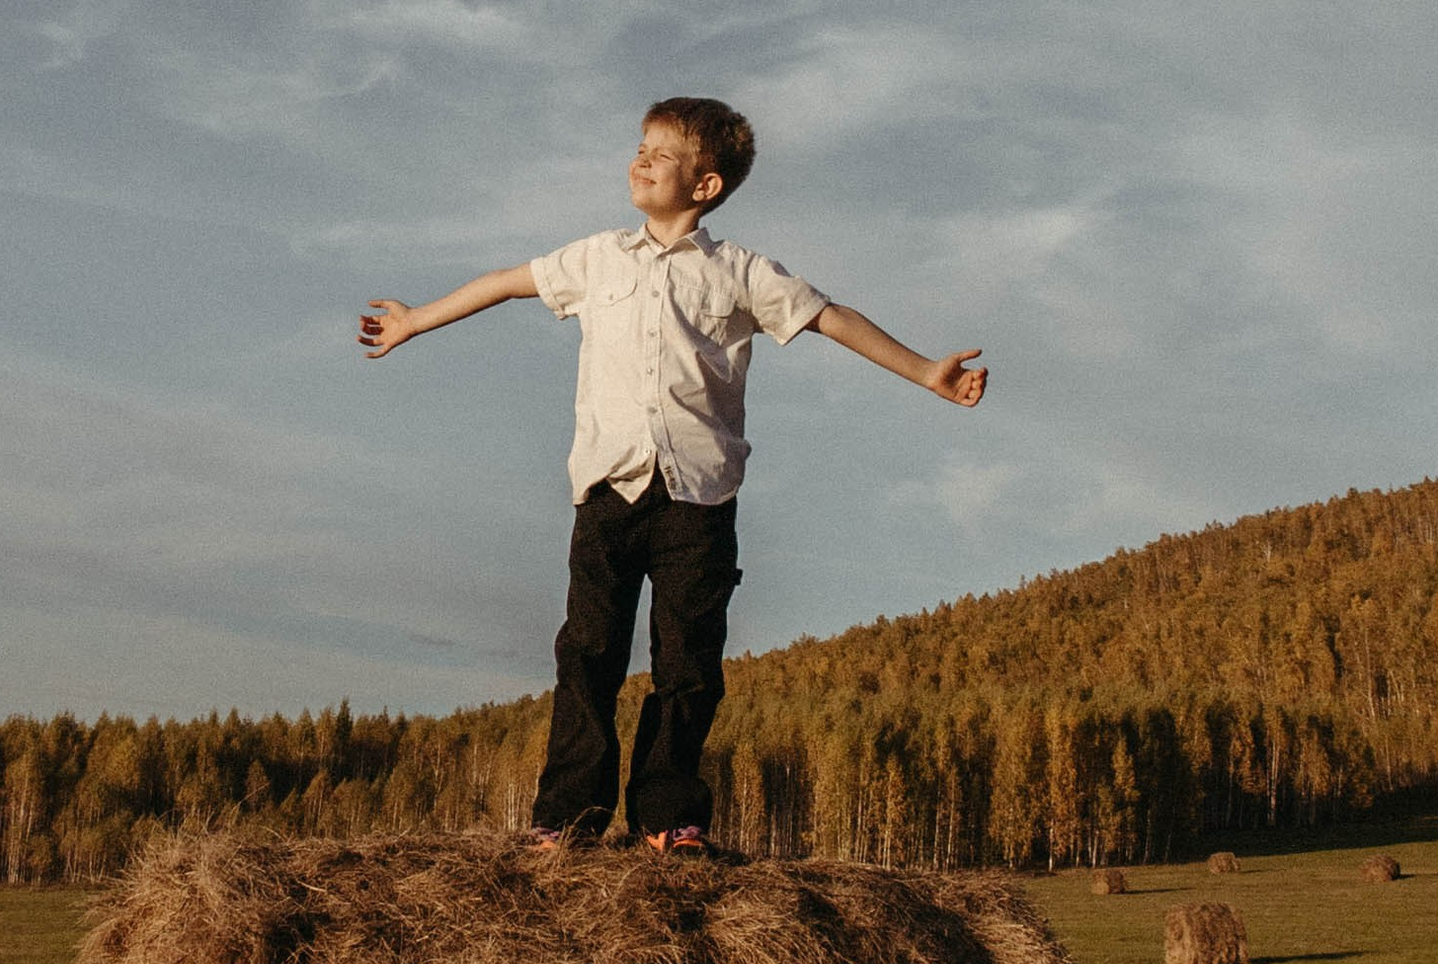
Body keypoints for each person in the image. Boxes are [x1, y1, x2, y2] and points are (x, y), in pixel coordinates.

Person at [358, 96, 986, 851]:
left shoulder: (742, 272)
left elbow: (831, 317)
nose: (640, 160)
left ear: (706, 185)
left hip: (699, 497)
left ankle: (667, 817)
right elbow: (501, 281)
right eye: (640, 147)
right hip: (607, 489)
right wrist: (414, 319)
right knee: (587, 653)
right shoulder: (595, 258)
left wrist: (926, 372)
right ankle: (569, 819)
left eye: (661, 153)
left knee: (687, 664)